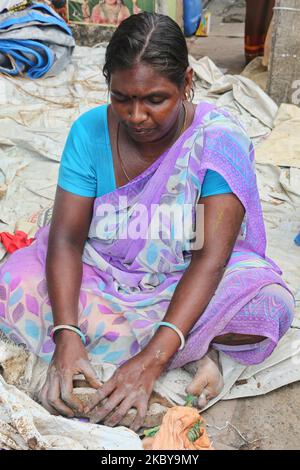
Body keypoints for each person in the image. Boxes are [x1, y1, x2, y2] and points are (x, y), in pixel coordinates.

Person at [0, 13, 294, 431]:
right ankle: (192, 349)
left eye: (155, 99)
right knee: (14, 282)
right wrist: (66, 332)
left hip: (188, 277)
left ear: (186, 82)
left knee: (269, 307)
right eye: (122, 98)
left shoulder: (217, 139)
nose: (137, 115)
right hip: (101, 272)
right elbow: (66, 240)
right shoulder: (88, 132)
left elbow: (211, 259)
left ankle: (162, 348)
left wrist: (152, 360)